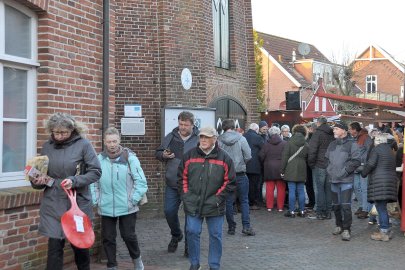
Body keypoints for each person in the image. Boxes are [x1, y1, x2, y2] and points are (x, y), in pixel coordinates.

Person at [30, 112, 101, 270]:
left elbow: (95, 171)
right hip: (53, 204)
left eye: (64, 132)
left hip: (77, 203)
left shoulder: (83, 145)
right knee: (54, 247)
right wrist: (37, 181)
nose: (60, 136)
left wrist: (74, 181)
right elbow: (43, 174)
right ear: (51, 130)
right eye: (57, 132)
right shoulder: (47, 146)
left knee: (80, 246)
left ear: (72, 130)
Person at [178, 126, 236, 270]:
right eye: (201, 137)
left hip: (214, 204)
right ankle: (194, 263)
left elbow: (229, 182)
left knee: (215, 235)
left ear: (214, 139)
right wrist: (186, 196)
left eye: (207, 137)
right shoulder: (189, 156)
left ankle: (214, 265)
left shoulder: (224, 158)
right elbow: (181, 178)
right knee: (192, 232)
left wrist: (217, 198)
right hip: (193, 202)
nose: (203, 140)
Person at [90, 127, 148, 270]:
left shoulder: (130, 158)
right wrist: (96, 200)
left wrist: (133, 200)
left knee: (128, 236)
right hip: (106, 206)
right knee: (108, 238)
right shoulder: (99, 160)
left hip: (127, 206)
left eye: (115, 141)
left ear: (119, 140)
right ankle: (112, 265)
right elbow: (93, 182)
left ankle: (137, 260)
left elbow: (141, 182)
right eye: (109, 141)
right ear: (104, 142)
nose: (112, 144)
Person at [155, 111, 199, 254]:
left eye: (186, 125)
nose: (183, 127)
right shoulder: (170, 137)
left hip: (191, 185)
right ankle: (176, 234)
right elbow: (158, 153)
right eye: (181, 124)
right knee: (169, 211)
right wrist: (163, 155)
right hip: (172, 183)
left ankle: (188, 245)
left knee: (189, 216)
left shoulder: (198, 139)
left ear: (192, 125)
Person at [218, 119, 255, 236]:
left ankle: (231, 227)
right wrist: (242, 163)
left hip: (226, 175)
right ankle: (246, 226)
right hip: (240, 173)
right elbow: (248, 155)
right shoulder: (241, 138)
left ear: (223, 127)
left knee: (228, 202)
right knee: (244, 201)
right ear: (234, 127)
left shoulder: (218, 140)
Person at [325, 122, 361, 241]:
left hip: (346, 180)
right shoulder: (332, 144)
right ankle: (338, 225)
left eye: (336, 129)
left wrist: (345, 171)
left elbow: (356, 161)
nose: (334, 131)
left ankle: (347, 229)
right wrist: (329, 170)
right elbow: (326, 160)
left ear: (344, 130)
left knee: (345, 206)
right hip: (333, 179)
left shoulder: (352, 145)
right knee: (336, 206)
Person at [361, 133, 397, 241]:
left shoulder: (376, 150)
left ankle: (384, 232)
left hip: (379, 183)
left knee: (381, 208)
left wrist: (363, 172)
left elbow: (371, 164)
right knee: (383, 207)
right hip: (389, 182)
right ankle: (386, 229)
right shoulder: (390, 151)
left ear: (377, 141)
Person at [307, 116, 334, 220]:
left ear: (318, 123)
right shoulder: (332, 133)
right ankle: (328, 212)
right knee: (328, 189)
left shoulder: (317, 134)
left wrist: (311, 164)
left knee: (319, 189)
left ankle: (320, 212)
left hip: (319, 164)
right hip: (329, 164)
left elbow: (312, 150)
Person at [281, 125, 309, 217]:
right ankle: (302, 211)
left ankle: (292, 211)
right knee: (301, 190)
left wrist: (282, 170)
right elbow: (308, 157)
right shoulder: (306, 143)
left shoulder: (289, 142)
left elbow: (285, 157)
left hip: (290, 167)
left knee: (292, 190)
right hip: (302, 167)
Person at [259, 126, 287, 211]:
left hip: (269, 168)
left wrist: (264, 162)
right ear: (279, 133)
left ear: (269, 134)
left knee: (269, 188)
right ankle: (280, 207)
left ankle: (269, 206)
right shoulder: (284, 143)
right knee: (281, 188)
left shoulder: (266, 144)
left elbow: (261, 156)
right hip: (281, 168)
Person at [348, 122, 373, 219]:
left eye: (350, 129)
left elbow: (369, 151)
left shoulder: (366, 137)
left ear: (354, 129)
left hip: (363, 167)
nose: (349, 131)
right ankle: (362, 206)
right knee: (356, 187)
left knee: (364, 188)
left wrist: (363, 163)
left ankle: (365, 209)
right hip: (356, 167)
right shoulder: (354, 138)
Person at [244, 123, 264, 210]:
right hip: (255, 165)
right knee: (254, 185)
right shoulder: (258, 138)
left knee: (246, 185)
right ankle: (253, 203)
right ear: (256, 129)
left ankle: (245, 201)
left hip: (245, 164)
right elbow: (263, 150)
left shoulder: (243, 136)